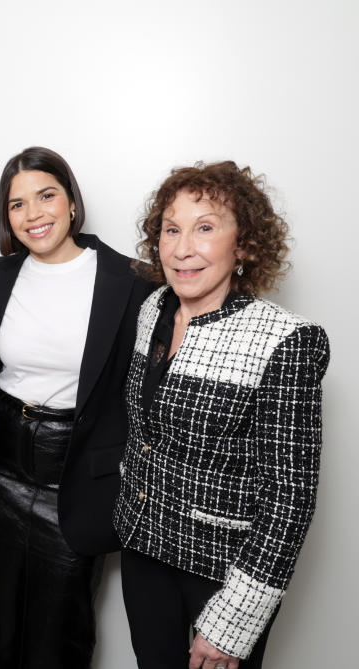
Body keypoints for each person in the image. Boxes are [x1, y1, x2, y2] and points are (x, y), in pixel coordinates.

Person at [114, 161, 330, 669]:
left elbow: (290, 499)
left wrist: (234, 622)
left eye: (205, 228)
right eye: (171, 229)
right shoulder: (153, 311)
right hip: (142, 548)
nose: (182, 247)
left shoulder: (286, 341)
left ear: (245, 246)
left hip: (223, 572)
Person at [0, 147, 152, 668]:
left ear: (72, 202)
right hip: (2, 467)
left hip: (73, 474)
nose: (34, 215)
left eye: (46, 196)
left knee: (61, 634)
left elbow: (136, 388)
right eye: (17, 204)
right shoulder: (0, 274)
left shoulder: (130, 280)